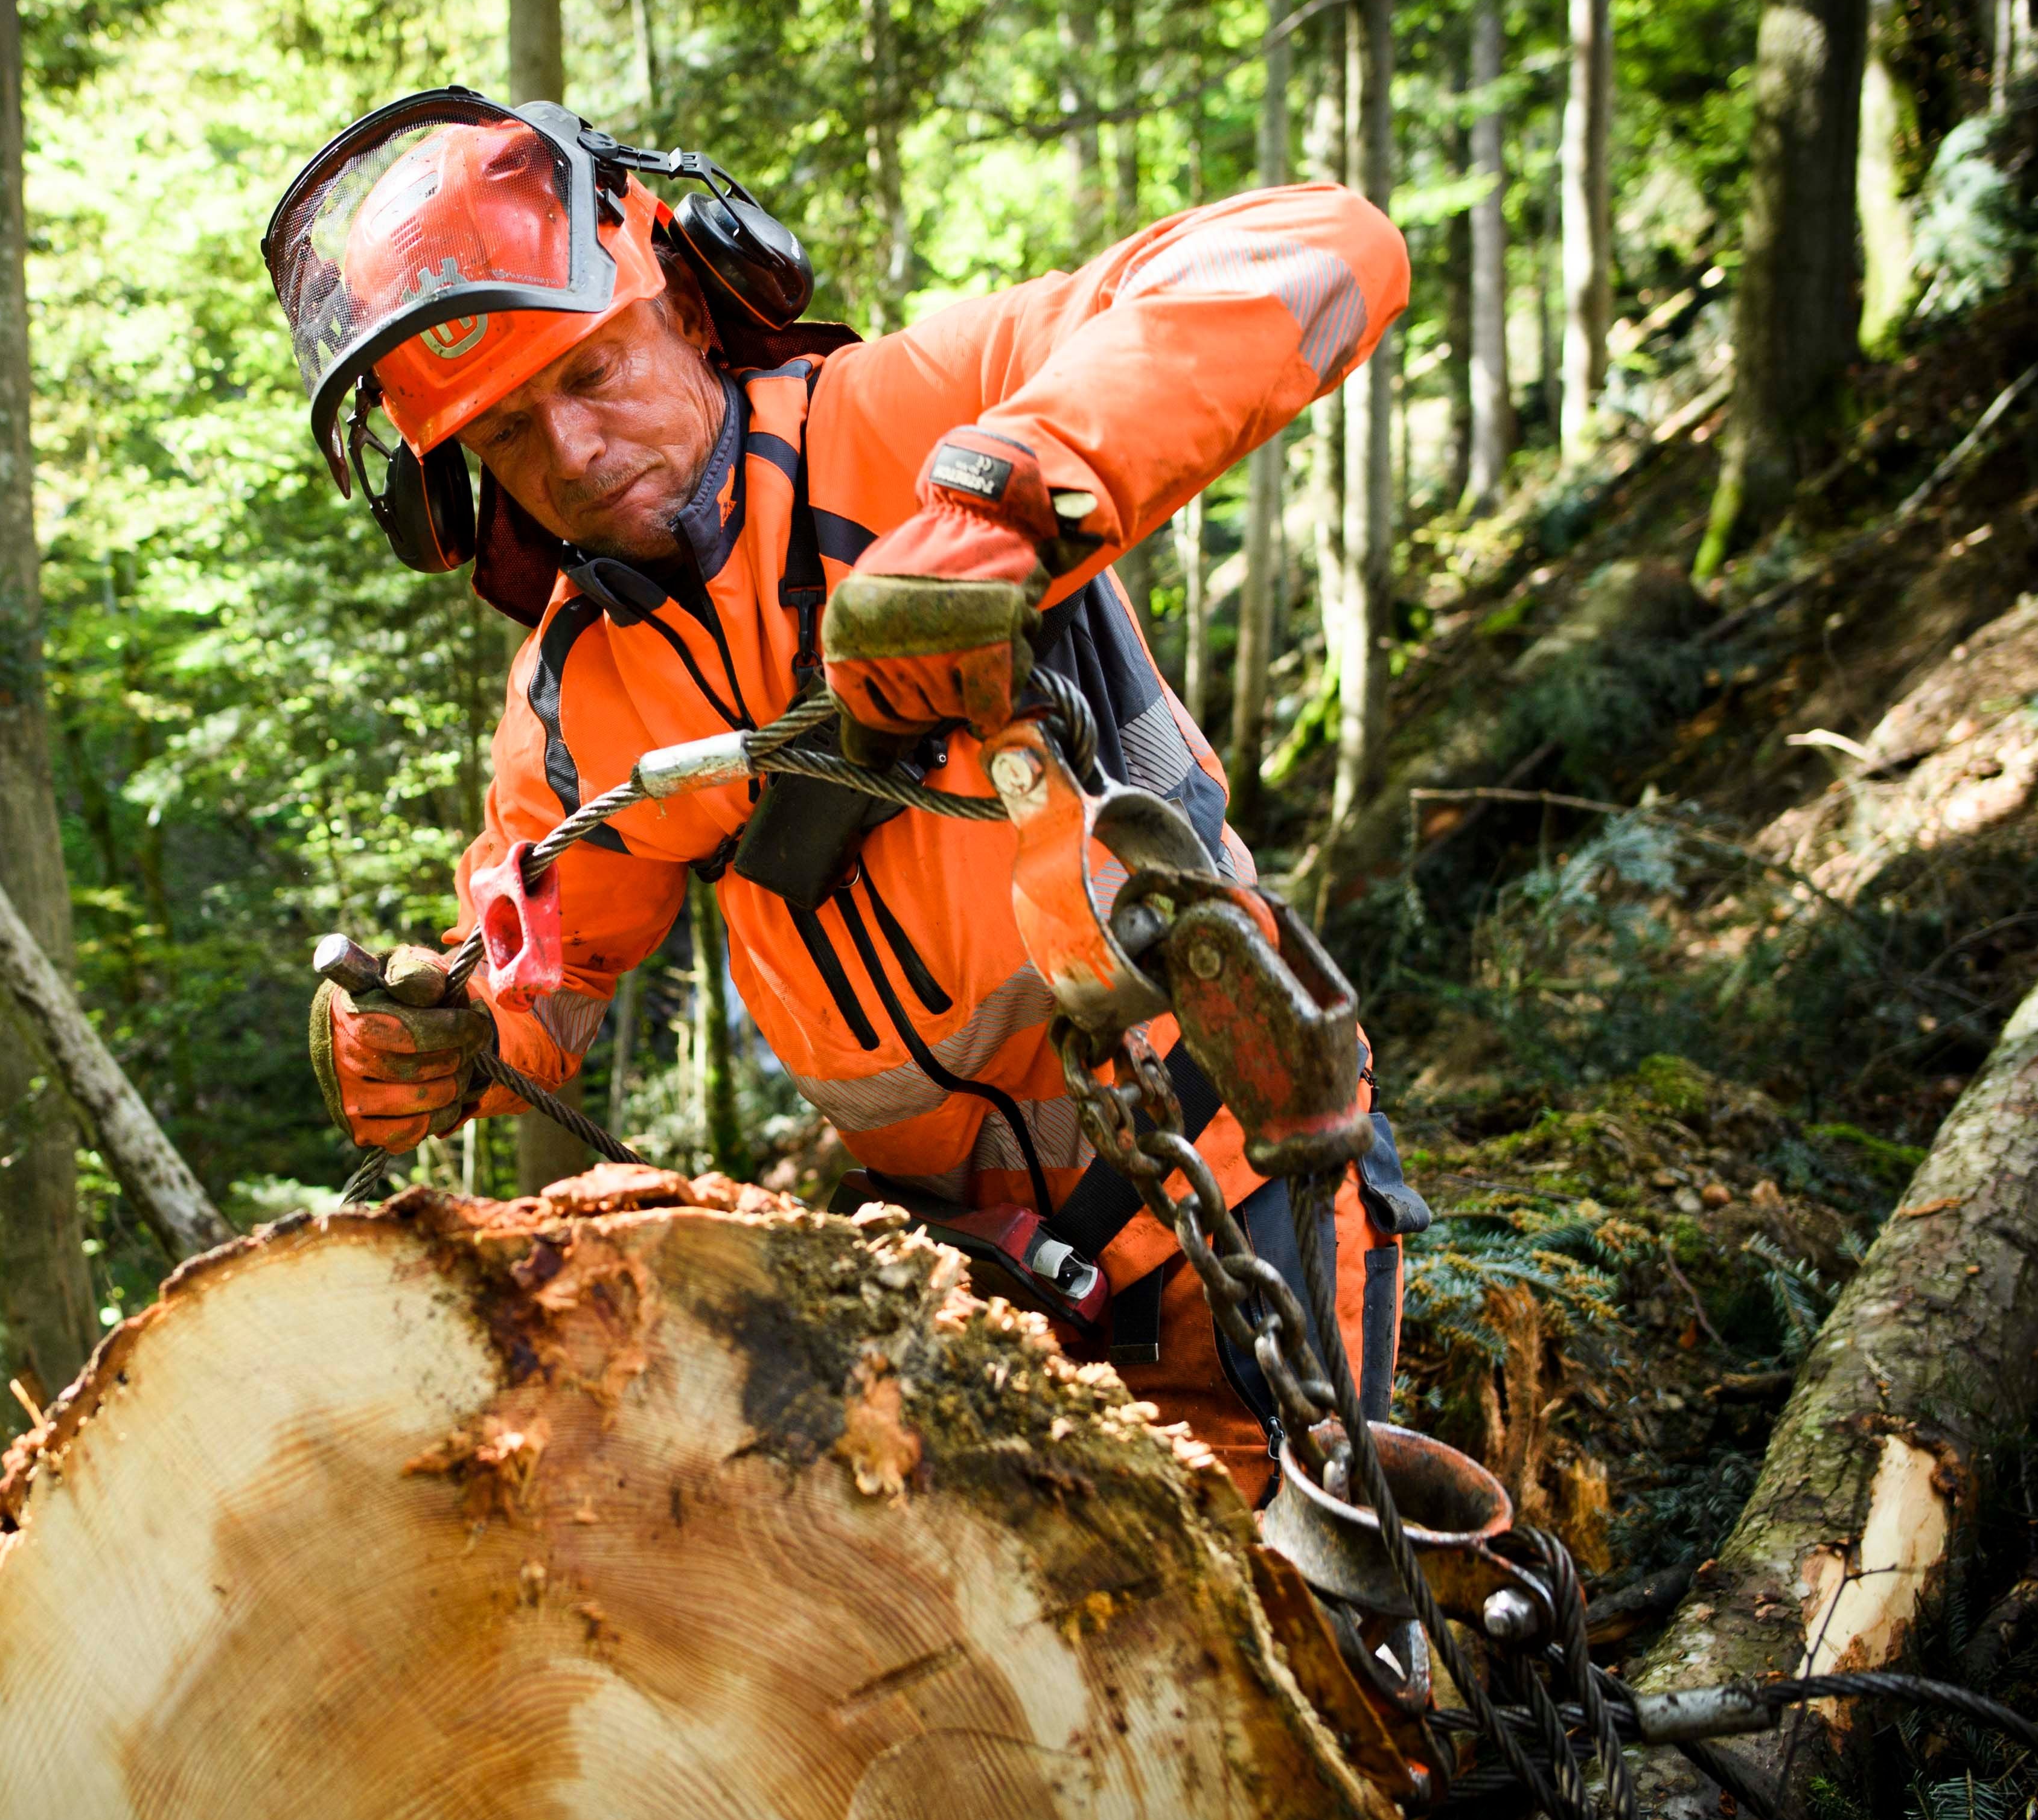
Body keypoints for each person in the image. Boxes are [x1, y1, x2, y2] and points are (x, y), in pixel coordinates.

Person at [262, 91, 1427, 1498]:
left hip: (1226, 1168)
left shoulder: (908, 416)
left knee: (1319, 1626)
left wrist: (1011, 502)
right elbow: (549, 968)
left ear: (684, 313)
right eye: (507, 435)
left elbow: (1325, 248)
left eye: (590, 374)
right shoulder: (578, 697)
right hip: (956, 1272)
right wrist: (440, 1034)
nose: (570, 452)